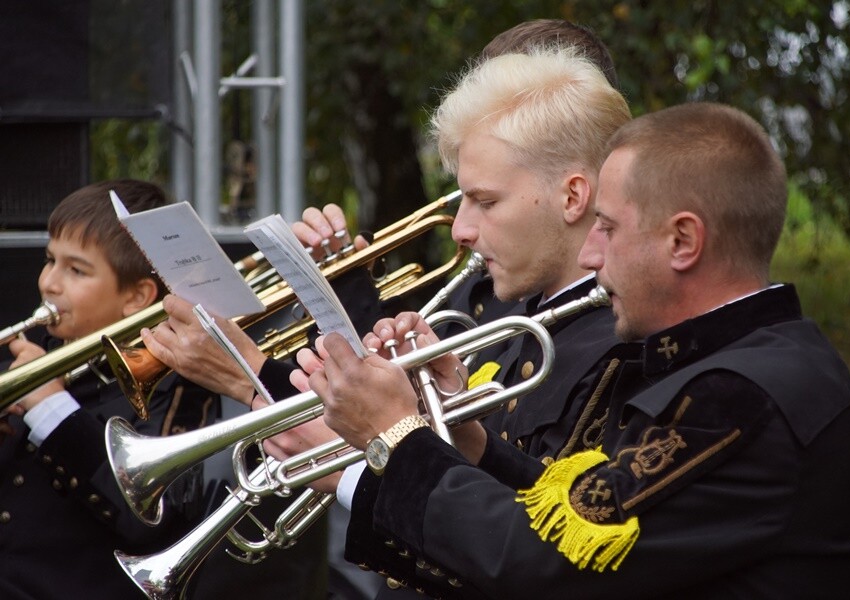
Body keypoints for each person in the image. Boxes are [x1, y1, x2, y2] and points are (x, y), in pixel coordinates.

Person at [301, 102, 850, 598]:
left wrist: (392, 441)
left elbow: (539, 564)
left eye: (606, 227)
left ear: (683, 241)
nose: (589, 255)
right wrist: (471, 444)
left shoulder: (741, 395)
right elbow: (583, 518)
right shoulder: (741, 363)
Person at [142, 20, 630, 600]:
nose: (462, 229)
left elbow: (530, 552)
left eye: (484, 200)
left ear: (574, 196)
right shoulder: (512, 310)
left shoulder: (619, 341)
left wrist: (255, 380)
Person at [0, 180, 219, 599]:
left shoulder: (177, 385)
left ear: (137, 297)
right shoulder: (32, 355)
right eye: (50, 260)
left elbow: (153, 521)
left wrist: (51, 409)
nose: (49, 282)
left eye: (76, 270)